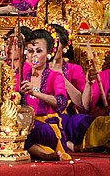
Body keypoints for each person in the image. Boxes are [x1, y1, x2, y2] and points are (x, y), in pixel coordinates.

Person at [20, 29, 71, 161]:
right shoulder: (22, 75)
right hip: (25, 125)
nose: (34, 56)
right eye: (30, 51)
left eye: (39, 51)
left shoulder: (55, 76)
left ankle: (39, 152)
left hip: (47, 128)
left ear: (49, 54)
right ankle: (42, 154)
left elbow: (61, 103)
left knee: (29, 128)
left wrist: (35, 92)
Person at [48, 24, 86, 115]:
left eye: (55, 43)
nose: (52, 48)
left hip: (67, 116)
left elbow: (82, 103)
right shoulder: (37, 67)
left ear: (64, 47)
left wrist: (60, 77)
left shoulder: (74, 70)